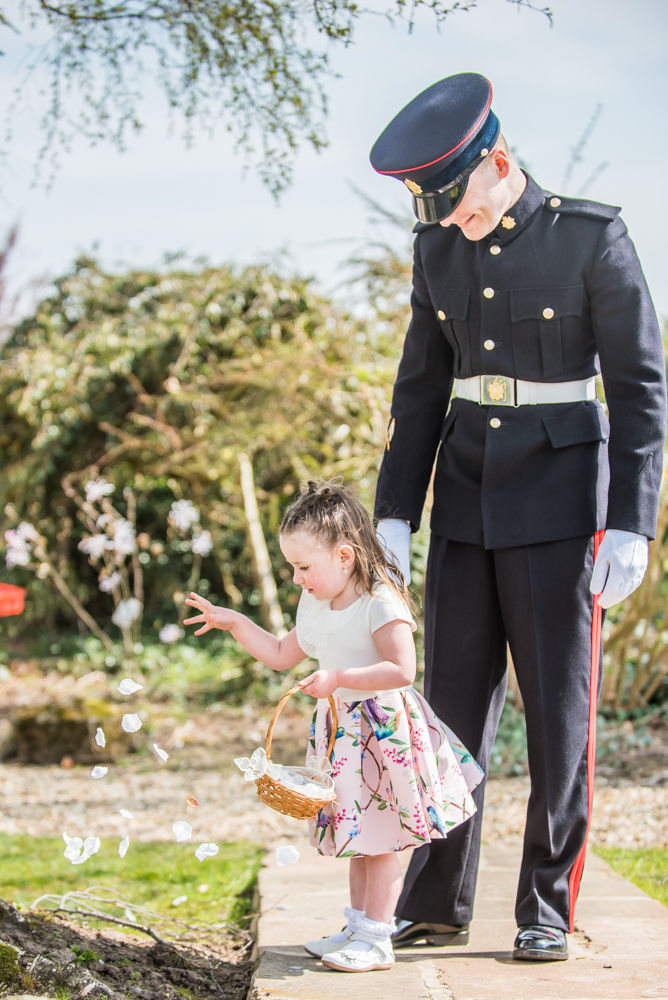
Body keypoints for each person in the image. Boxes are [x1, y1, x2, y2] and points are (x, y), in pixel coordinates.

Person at [369, 72, 667, 961]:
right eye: (440, 210)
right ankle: (435, 900)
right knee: (449, 715)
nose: (454, 222)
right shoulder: (437, 250)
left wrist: (632, 520)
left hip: (562, 505)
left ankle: (545, 906)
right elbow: (420, 387)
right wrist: (395, 511)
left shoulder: (590, 237)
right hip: (464, 499)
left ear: (499, 161)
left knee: (557, 721)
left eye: (460, 202)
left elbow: (641, 387)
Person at [184, 479, 483, 973]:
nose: (298, 579)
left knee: (383, 837)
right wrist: (236, 622)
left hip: (382, 733)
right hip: (342, 733)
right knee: (359, 835)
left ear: (345, 557)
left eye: (304, 567)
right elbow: (282, 654)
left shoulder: (379, 601)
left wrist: (340, 676)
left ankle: (377, 937)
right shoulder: (316, 603)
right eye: (293, 568)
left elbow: (402, 669)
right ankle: (357, 925)